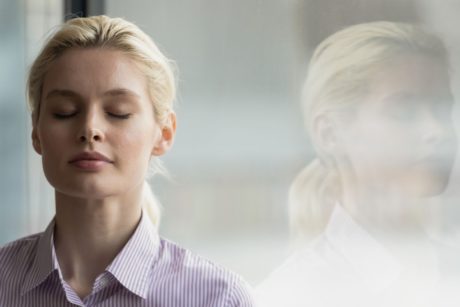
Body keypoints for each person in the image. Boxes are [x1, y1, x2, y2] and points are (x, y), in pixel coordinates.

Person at [0, 15, 254, 307]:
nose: (90, 129)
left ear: (164, 133)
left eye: (118, 112)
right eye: (65, 111)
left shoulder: (218, 299)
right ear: (36, 132)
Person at [256, 21, 460, 307]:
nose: (437, 130)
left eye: (443, 107)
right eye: (404, 109)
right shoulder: (291, 294)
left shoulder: (451, 270)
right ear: (330, 133)